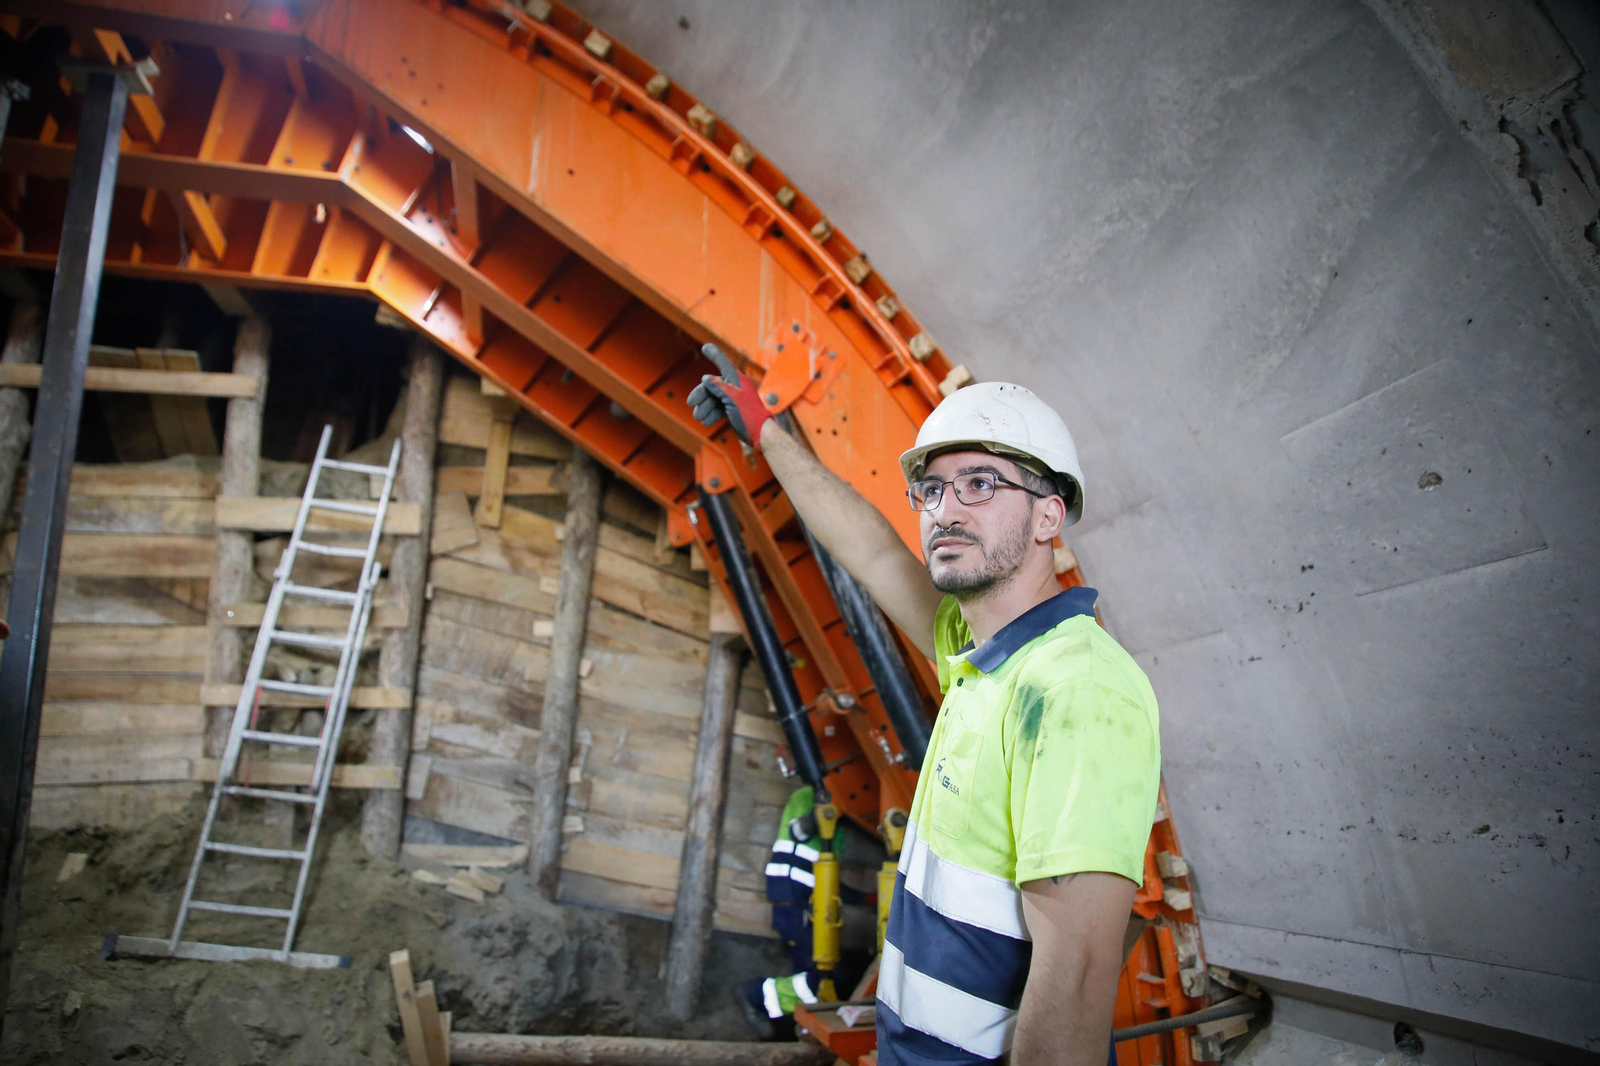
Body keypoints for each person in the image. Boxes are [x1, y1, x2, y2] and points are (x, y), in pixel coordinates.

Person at [689, 348, 1160, 1066]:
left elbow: (1078, 982)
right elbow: (872, 551)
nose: (946, 510)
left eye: (980, 484)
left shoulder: (1073, 690)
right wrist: (768, 434)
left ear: (1048, 516)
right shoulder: (977, 653)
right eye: (933, 490)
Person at [736, 786, 877, 1040]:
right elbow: (799, 833)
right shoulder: (810, 798)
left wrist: (864, 898)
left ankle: (785, 1020)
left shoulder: (835, 817)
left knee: (826, 976)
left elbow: (824, 876)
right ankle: (756, 996)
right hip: (794, 908)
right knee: (830, 977)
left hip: (802, 907)